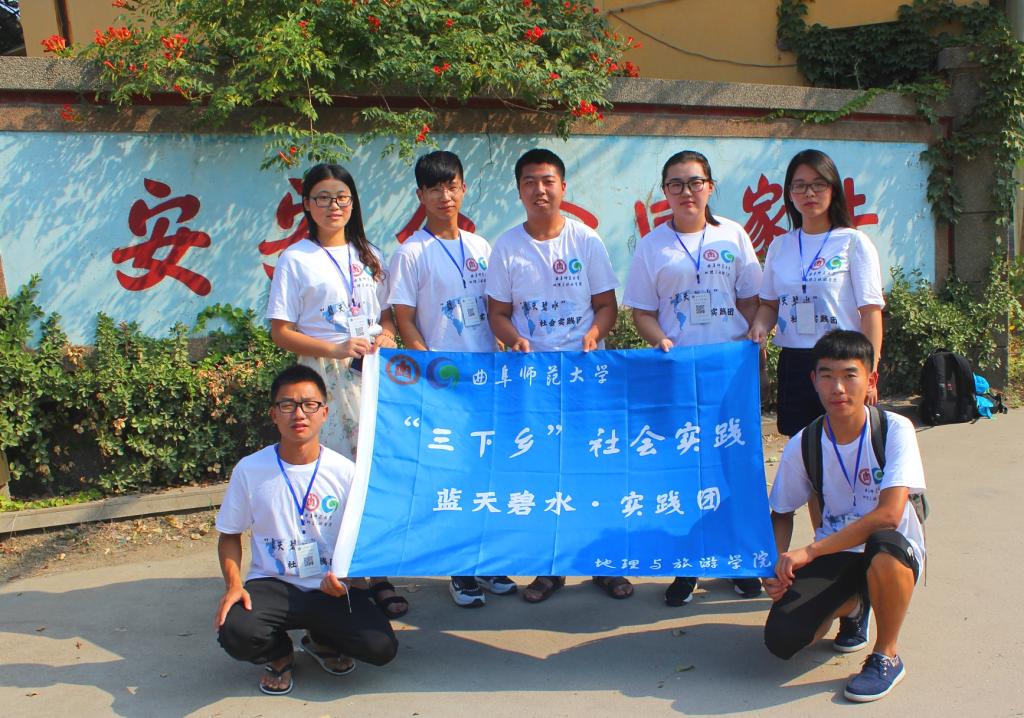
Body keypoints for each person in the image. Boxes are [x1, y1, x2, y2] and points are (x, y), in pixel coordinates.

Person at [486, 147, 631, 602]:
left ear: (563, 187)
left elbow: (606, 306)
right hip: (535, 382)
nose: (540, 189)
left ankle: (603, 563)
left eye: (548, 180)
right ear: (519, 191)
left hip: (586, 376)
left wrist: (594, 333)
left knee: (593, 468)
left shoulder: (586, 241)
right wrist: (514, 339)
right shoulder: (507, 247)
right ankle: (550, 567)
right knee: (544, 473)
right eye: (530, 182)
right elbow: (497, 314)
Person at [266, 162, 408, 619]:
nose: (334, 206)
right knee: (331, 474)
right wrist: (335, 347)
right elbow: (281, 331)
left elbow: (386, 316)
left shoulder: (370, 254)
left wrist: (386, 336)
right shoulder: (296, 258)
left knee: (372, 473)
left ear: (353, 203)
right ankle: (338, 574)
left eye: (342, 197)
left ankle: (377, 572)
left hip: (371, 378)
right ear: (307, 205)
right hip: (322, 380)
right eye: (323, 198)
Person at [623, 149, 764, 607]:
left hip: (730, 372)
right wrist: (660, 339)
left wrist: (757, 334)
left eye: (695, 182)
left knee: (735, 467)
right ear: (664, 192)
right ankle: (688, 565)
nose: (686, 192)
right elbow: (642, 312)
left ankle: (740, 562)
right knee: (687, 468)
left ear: (710, 187)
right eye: (676, 184)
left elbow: (752, 301)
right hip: (680, 374)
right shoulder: (652, 246)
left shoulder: (734, 235)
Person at [215, 364, 398, 696]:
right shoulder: (250, 470)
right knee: (235, 631)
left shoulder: (346, 473)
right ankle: (279, 654)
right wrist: (233, 586)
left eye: (309, 405)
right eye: (288, 404)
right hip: (272, 583)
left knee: (381, 647)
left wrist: (349, 580)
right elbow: (229, 534)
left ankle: (320, 640)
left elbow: (364, 538)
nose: (299, 414)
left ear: (324, 413)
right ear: (273, 414)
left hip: (330, 586)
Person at [763, 330, 925, 703]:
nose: (838, 388)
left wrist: (809, 552)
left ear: (870, 380)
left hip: (891, 552)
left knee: (883, 543)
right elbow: (782, 512)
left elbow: (889, 515)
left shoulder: (894, 430)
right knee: (782, 639)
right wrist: (774, 565)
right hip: (836, 552)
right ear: (813, 380)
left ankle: (886, 655)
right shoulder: (804, 443)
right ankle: (855, 605)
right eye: (827, 376)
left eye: (849, 375)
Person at [387, 150, 517, 608]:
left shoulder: (482, 248)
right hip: (444, 382)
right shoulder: (410, 253)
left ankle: (488, 562)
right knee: (453, 476)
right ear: (420, 195)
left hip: (486, 380)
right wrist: (429, 372)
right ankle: (461, 570)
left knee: (486, 472)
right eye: (434, 188)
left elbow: (498, 311)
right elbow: (404, 320)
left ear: (464, 188)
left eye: (452, 185)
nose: (445, 196)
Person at [748, 149, 884, 439]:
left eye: (818, 184)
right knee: (801, 444)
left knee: (845, 444)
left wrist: (869, 371)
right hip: (794, 362)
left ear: (833, 189)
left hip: (842, 361)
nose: (809, 193)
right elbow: (769, 305)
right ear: (790, 194)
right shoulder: (780, 246)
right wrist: (759, 326)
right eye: (800, 186)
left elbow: (871, 312)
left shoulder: (853, 242)